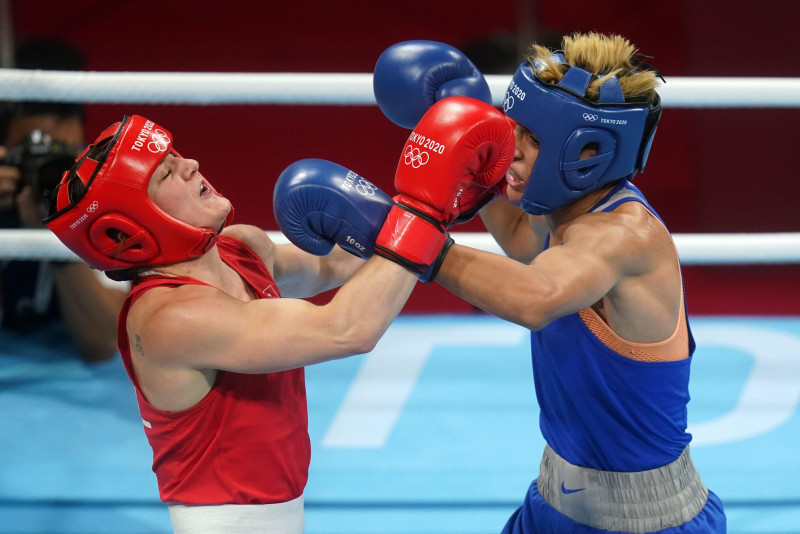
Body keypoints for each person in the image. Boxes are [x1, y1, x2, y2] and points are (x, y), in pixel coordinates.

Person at [44, 106, 513, 532]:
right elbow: (347, 329)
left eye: (177, 155)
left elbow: (337, 264)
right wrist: (422, 211)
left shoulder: (241, 248)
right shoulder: (170, 317)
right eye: (167, 171)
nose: (191, 165)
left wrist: (447, 202)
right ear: (133, 226)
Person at [372, 34, 726, 532]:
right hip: (551, 501)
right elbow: (521, 239)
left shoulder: (621, 235)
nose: (511, 151)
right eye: (513, 128)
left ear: (588, 150)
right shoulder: (564, 210)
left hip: (645, 522)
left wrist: (404, 232)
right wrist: (467, 155)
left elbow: (536, 298)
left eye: (534, 139)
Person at [0, 38, 126, 362]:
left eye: (67, 155)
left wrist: (56, 238)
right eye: (32, 154)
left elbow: (104, 345)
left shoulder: (100, 197)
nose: (57, 172)